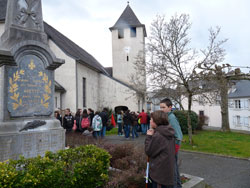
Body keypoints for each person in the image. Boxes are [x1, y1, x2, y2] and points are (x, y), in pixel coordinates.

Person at [145, 110, 175, 188]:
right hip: (166, 171)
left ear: (156, 122)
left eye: (151, 119)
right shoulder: (168, 131)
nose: (150, 121)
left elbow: (149, 151)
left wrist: (148, 137)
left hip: (159, 174)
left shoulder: (158, 135)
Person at [160, 98, 183, 188]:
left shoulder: (171, 118)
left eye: (163, 107)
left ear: (170, 107)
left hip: (172, 147)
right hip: (170, 146)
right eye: (160, 107)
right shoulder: (167, 117)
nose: (161, 109)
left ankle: (175, 185)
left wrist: (174, 149)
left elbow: (178, 135)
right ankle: (178, 185)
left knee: (172, 170)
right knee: (174, 168)